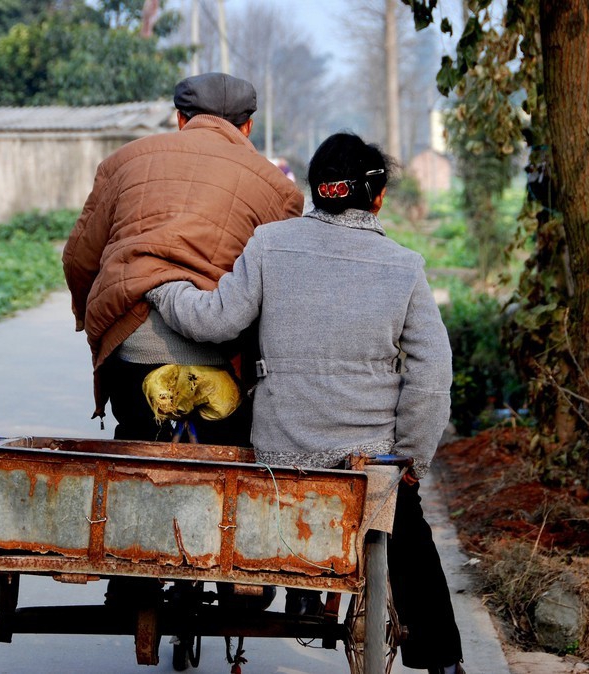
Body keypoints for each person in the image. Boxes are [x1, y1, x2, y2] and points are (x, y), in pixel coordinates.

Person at [147, 132, 465, 674]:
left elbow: (217, 320)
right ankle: (443, 664)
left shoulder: (270, 244)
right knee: (411, 540)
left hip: (282, 453)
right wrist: (409, 458)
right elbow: (433, 376)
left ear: (316, 192)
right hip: (370, 465)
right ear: (378, 197)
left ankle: (273, 589)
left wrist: (163, 288)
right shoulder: (405, 266)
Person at [62, 72, 304, 445]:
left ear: (180, 119)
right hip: (221, 356)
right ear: (248, 127)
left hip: (133, 348)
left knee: (135, 448)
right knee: (223, 461)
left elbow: (78, 260)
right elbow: (282, 290)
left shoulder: (123, 162)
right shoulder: (278, 189)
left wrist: (91, 318)